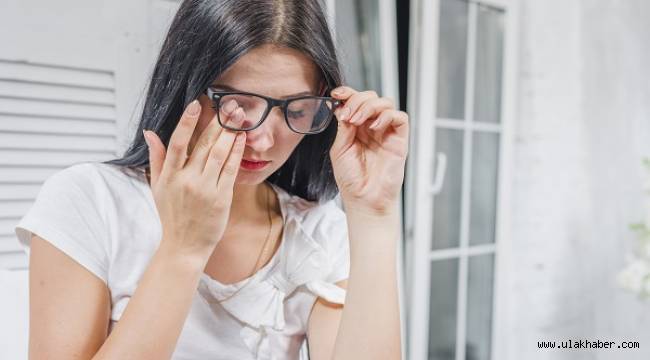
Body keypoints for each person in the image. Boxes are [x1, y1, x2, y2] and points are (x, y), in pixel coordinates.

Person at [14, 0, 409, 359]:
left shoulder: (318, 232)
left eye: (295, 107)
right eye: (236, 104)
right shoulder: (89, 202)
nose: (265, 139)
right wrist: (184, 249)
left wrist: (374, 216)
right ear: (184, 87)